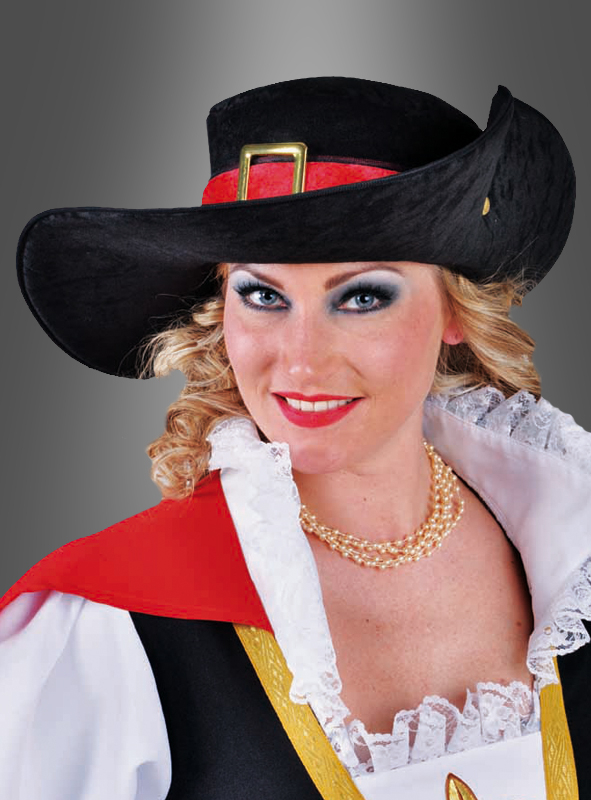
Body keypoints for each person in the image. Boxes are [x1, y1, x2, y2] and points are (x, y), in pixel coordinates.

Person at [1, 77, 589, 799]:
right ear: (220, 311)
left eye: (363, 297)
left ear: (456, 311)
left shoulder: (571, 552)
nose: (303, 362)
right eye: (263, 295)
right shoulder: (110, 626)